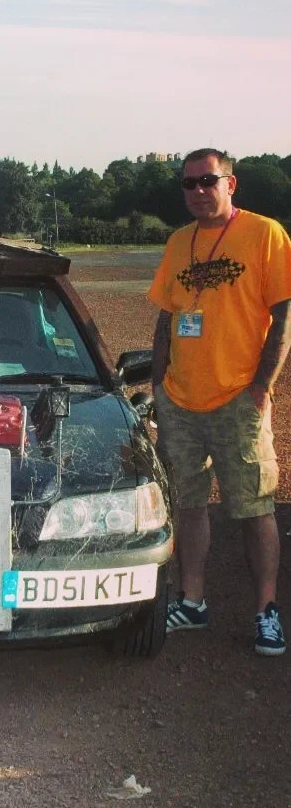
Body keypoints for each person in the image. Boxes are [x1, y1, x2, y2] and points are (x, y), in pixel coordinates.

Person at [148, 148, 291, 656]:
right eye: (188, 184)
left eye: (208, 181)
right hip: (181, 401)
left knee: (254, 508)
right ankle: (193, 601)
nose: (197, 191)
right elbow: (166, 317)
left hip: (238, 398)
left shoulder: (265, 234)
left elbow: (283, 316)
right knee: (188, 504)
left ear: (232, 183)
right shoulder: (179, 241)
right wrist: (160, 383)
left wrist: (262, 385)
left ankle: (267, 610)